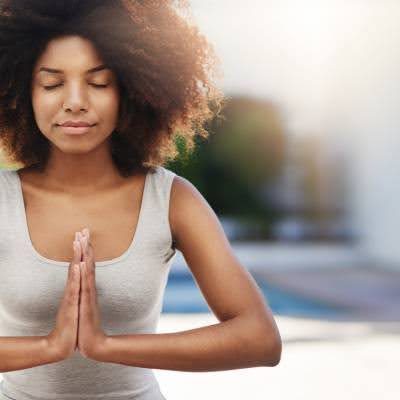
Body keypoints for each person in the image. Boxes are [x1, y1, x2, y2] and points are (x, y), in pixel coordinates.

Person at [0, 1, 282, 399]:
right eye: (51, 83)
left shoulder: (170, 199)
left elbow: (259, 339)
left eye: (99, 83)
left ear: (131, 92)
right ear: (22, 92)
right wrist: (48, 347)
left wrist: (107, 347)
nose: (75, 100)